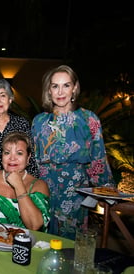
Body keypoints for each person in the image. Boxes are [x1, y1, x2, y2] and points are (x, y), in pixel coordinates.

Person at [31, 65, 115, 239]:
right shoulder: (39, 121)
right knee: (39, 242)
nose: (60, 91)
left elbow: (98, 159)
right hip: (42, 190)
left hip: (75, 194)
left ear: (75, 88)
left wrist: (106, 190)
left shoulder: (88, 119)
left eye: (66, 85)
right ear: (49, 90)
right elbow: (31, 160)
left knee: (70, 247)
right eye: (55, 86)